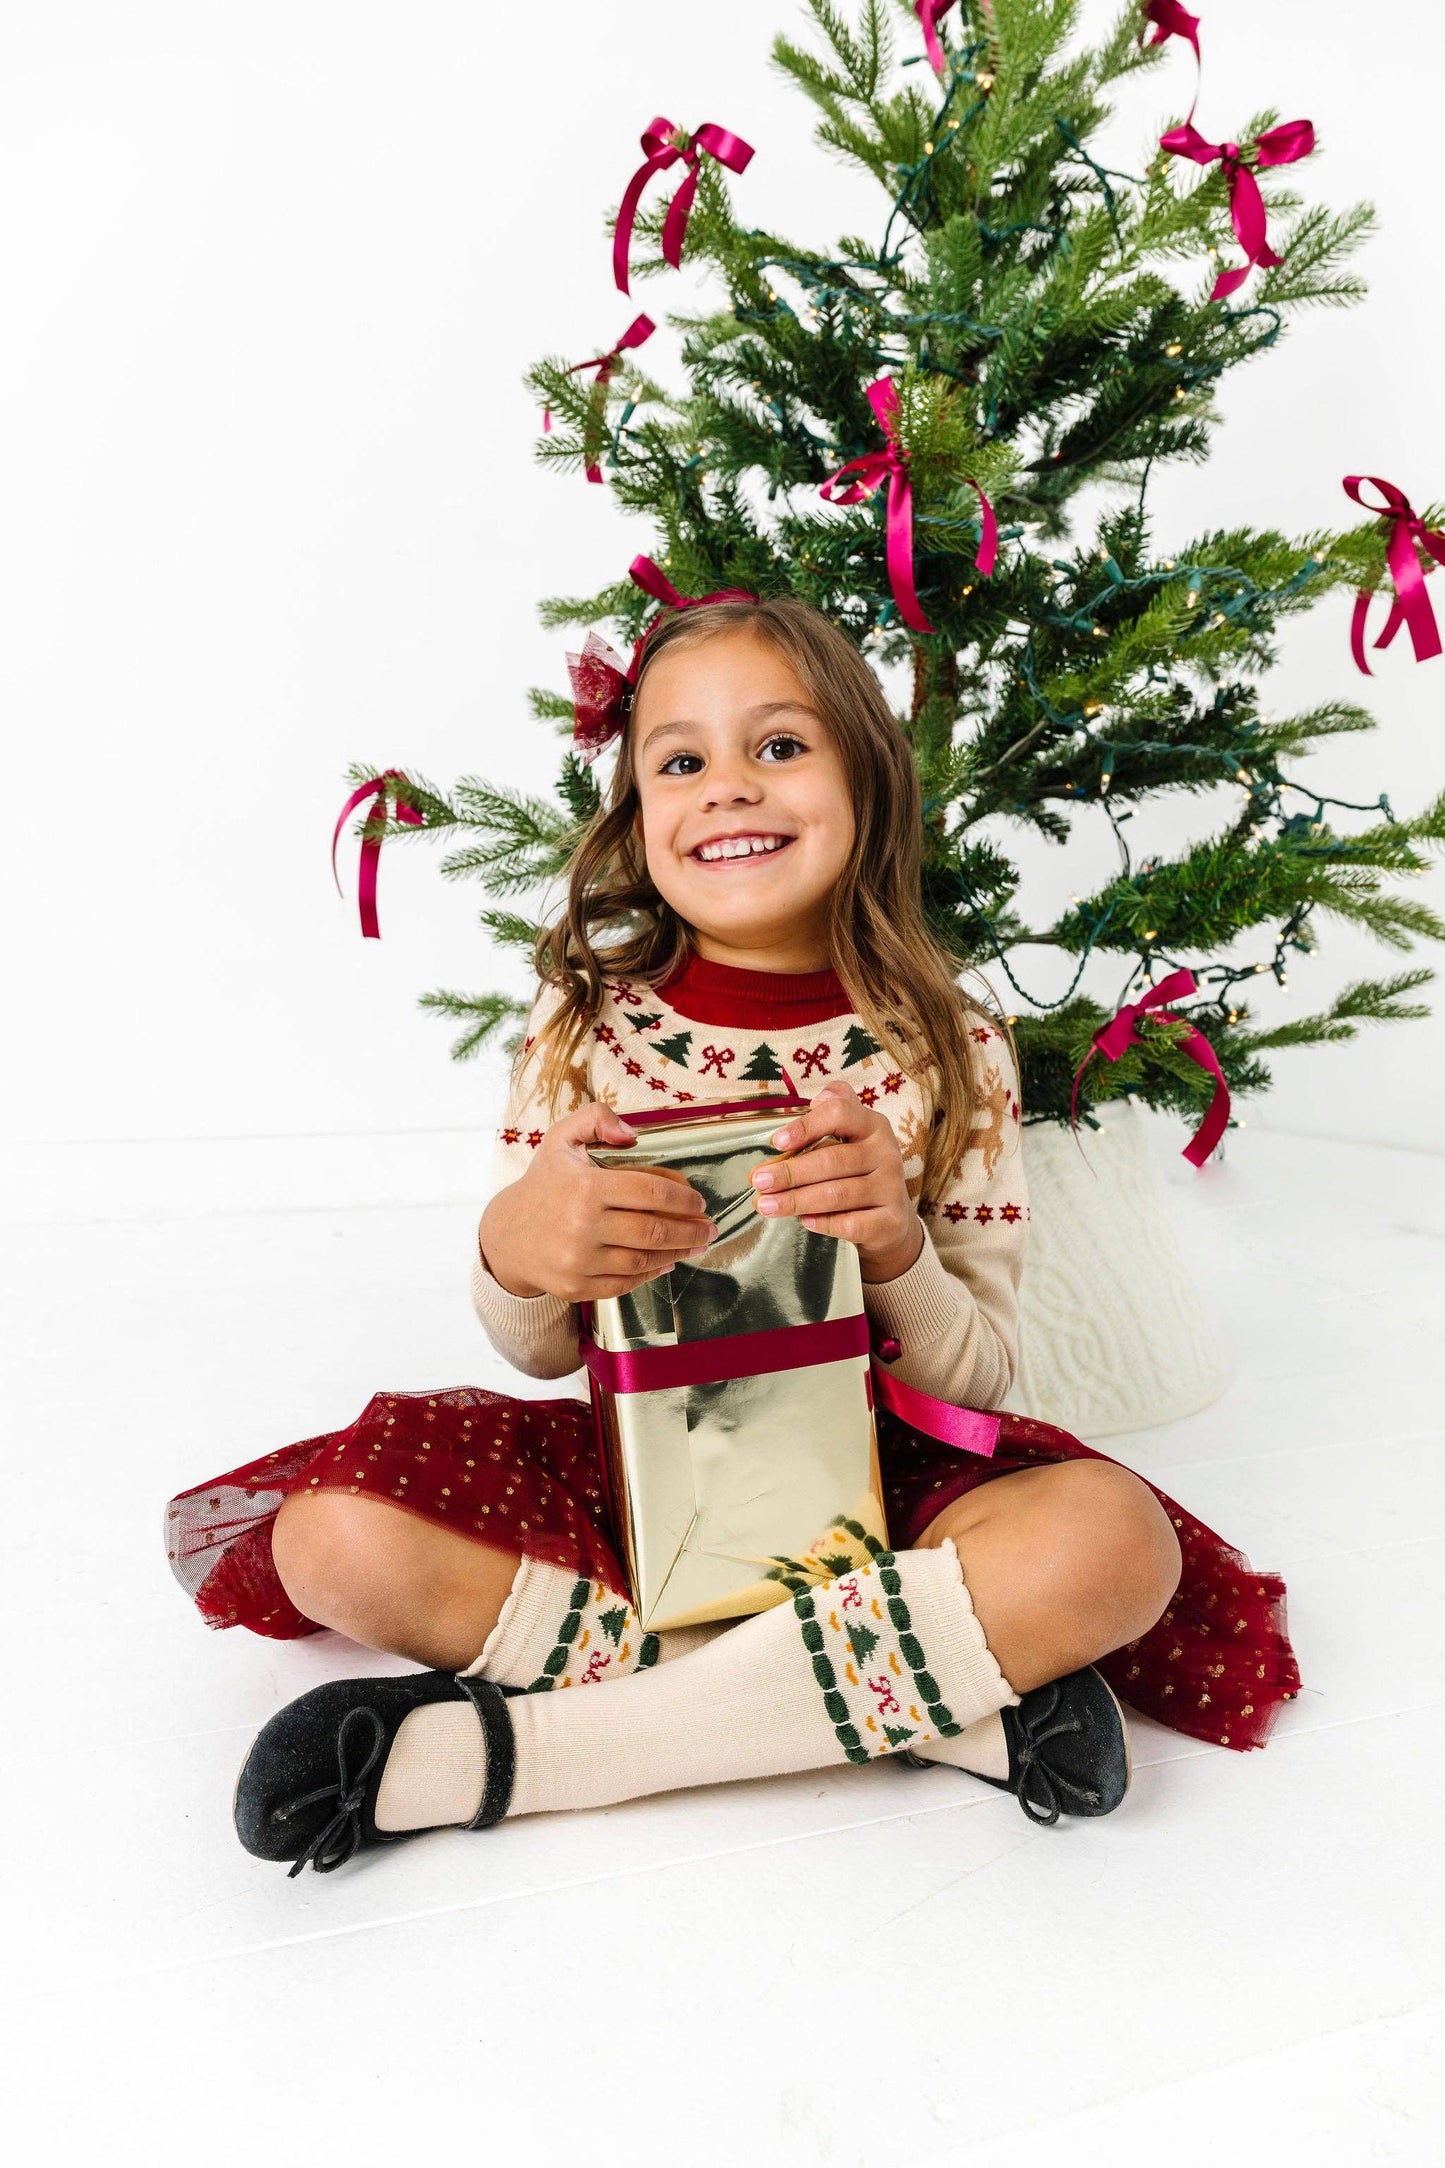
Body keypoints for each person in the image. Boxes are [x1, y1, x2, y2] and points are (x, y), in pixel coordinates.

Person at [167, 595, 1300, 1876]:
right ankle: (931, 1706)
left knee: (1109, 1542)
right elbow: (534, 1348)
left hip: (889, 1496)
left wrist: (893, 1252)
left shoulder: (954, 1046)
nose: (725, 789)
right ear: (637, 812)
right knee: (330, 1539)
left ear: (867, 779)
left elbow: (977, 1372)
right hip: (629, 1471)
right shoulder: (581, 1025)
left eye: (778, 746)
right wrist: (521, 1246)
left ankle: (515, 1758)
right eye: (680, 761)